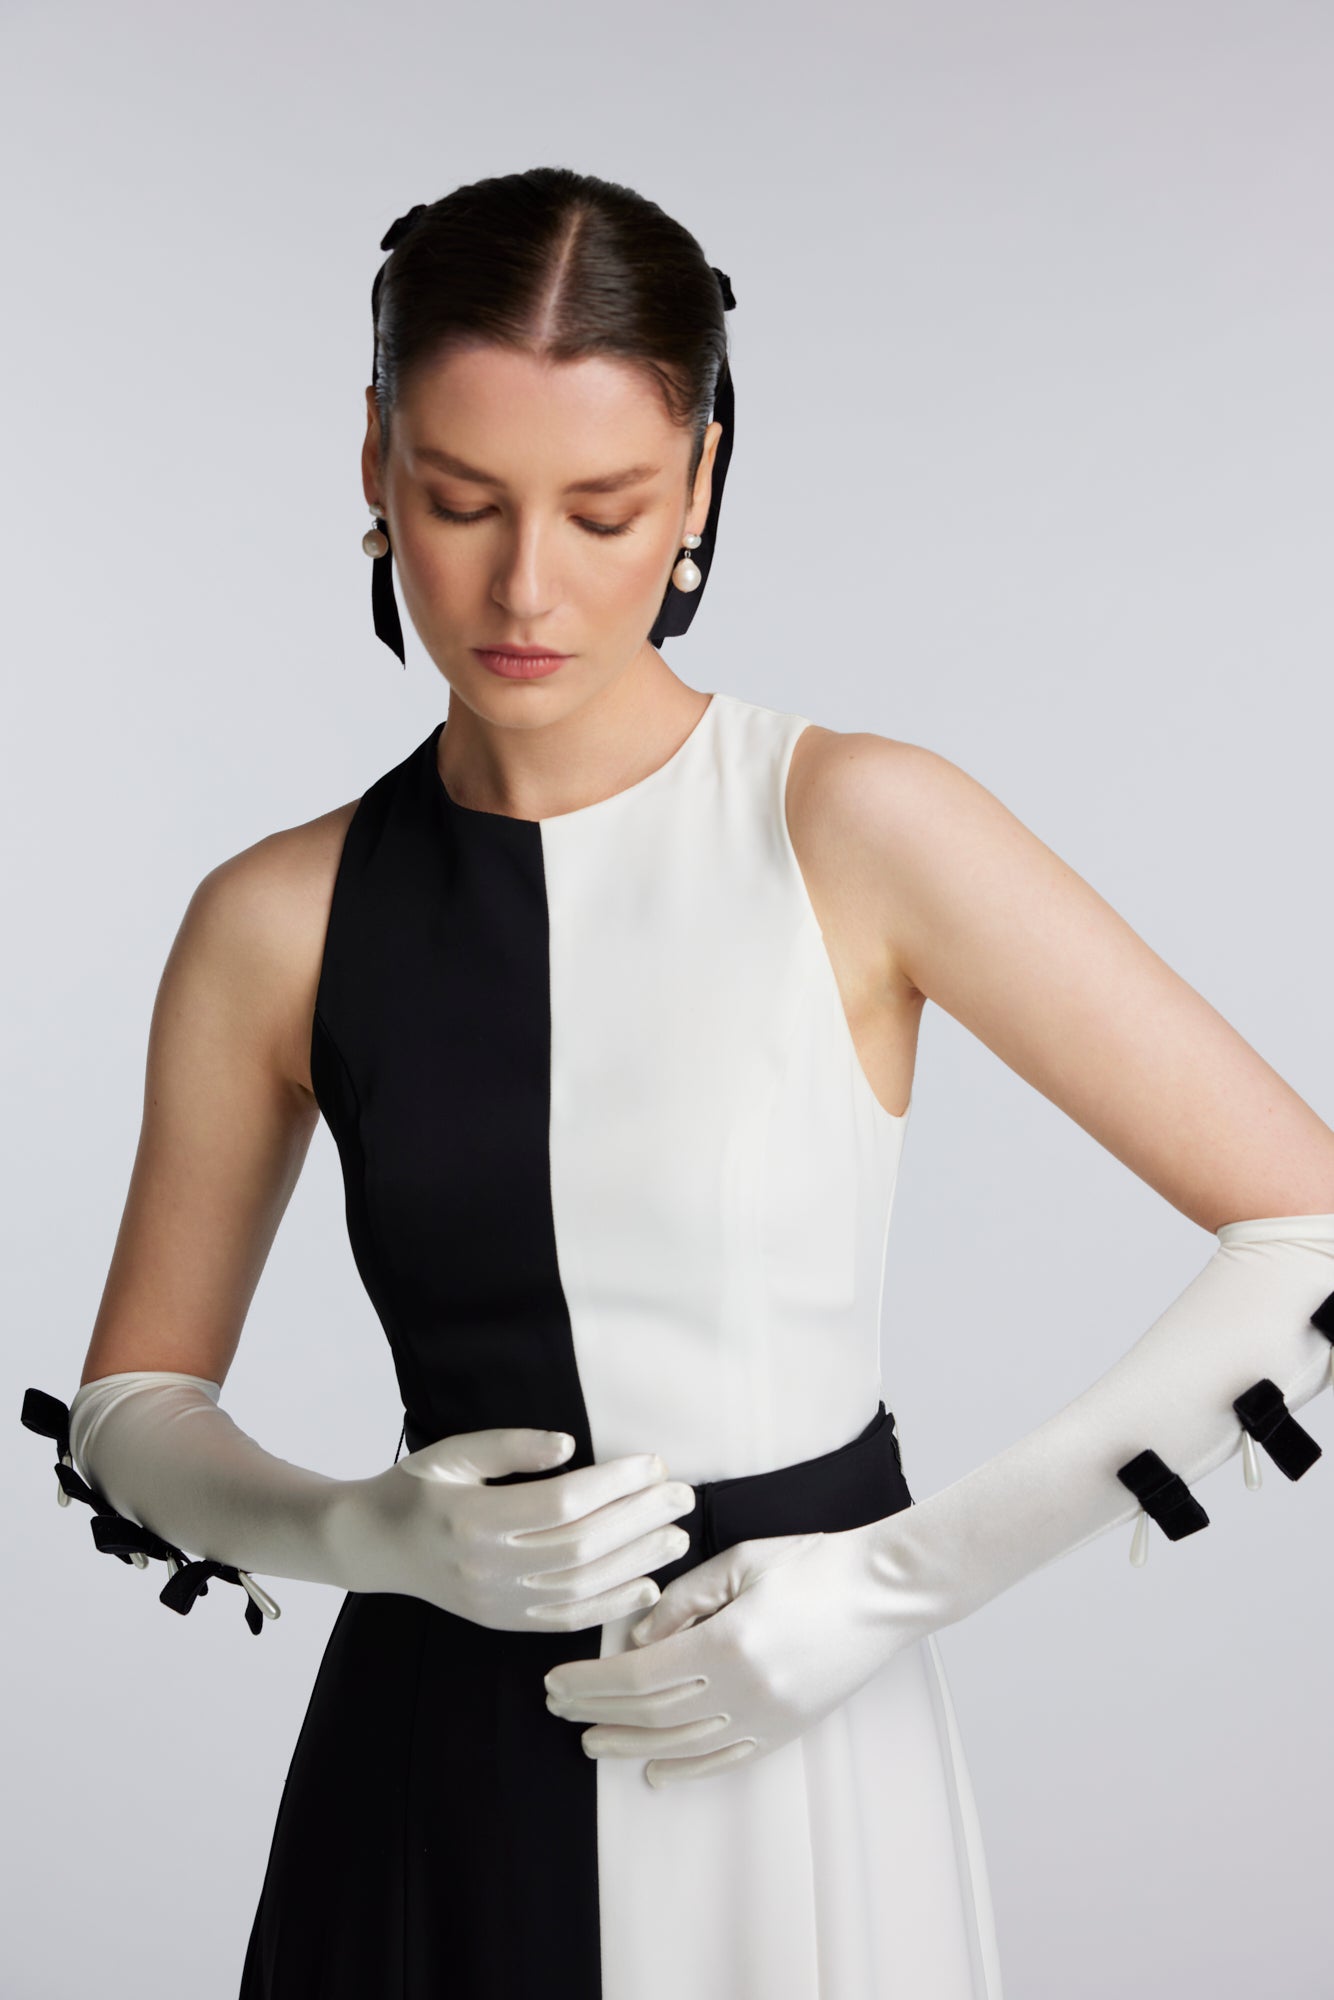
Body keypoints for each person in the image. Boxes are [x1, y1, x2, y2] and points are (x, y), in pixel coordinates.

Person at [19, 165, 1334, 1999]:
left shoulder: (855, 824)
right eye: (458, 500)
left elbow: (1306, 1227)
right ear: (373, 461)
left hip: (791, 1724)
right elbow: (133, 1402)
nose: (525, 585)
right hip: (426, 1761)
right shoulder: (277, 917)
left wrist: (893, 1583)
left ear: (701, 483)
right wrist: (360, 1531)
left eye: (604, 509)